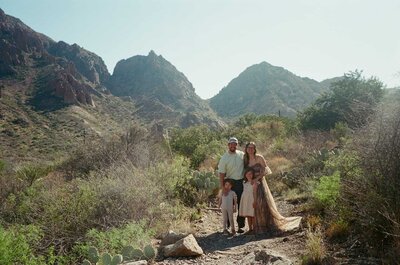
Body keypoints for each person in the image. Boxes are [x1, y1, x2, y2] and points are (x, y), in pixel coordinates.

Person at [244, 142, 287, 234]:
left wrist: (257, 179)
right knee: (254, 204)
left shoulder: (259, 157)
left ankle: (268, 224)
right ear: (246, 149)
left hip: (260, 182)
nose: (250, 149)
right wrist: (250, 180)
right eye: (248, 147)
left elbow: (265, 170)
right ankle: (256, 226)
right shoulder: (246, 159)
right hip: (251, 183)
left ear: (255, 149)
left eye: (252, 148)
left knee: (263, 203)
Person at [218, 137, 245, 233]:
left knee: (241, 204)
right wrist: (223, 187)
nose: (233, 146)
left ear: (237, 145)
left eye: (235, 144)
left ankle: (241, 226)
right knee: (229, 204)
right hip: (229, 183)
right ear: (228, 145)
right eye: (231, 144)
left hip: (241, 182)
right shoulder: (224, 158)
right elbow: (221, 173)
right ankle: (228, 226)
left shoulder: (242, 155)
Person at [239, 167, 256, 234]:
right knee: (248, 214)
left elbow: (254, 192)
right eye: (248, 174)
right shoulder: (244, 182)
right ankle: (250, 229)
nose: (249, 175)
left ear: (253, 175)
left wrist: (255, 201)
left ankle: (254, 228)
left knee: (252, 214)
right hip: (245, 199)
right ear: (245, 174)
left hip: (252, 199)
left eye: (251, 174)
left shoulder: (254, 182)